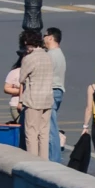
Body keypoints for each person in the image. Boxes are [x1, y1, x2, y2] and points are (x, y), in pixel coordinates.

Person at [15, 28, 55, 160]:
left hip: (33, 99)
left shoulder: (29, 58)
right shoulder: (47, 56)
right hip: (47, 99)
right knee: (43, 133)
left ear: (26, 42)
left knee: (31, 133)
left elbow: (21, 78)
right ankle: (44, 161)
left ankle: (34, 162)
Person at [45, 27, 67, 162]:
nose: (43, 38)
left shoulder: (51, 55)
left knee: (51, 128)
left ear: (51, 38)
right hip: (58, 91)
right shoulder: (59, 54)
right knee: (51, 125)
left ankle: (54, 160)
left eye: (45, 35)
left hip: (51, 91)